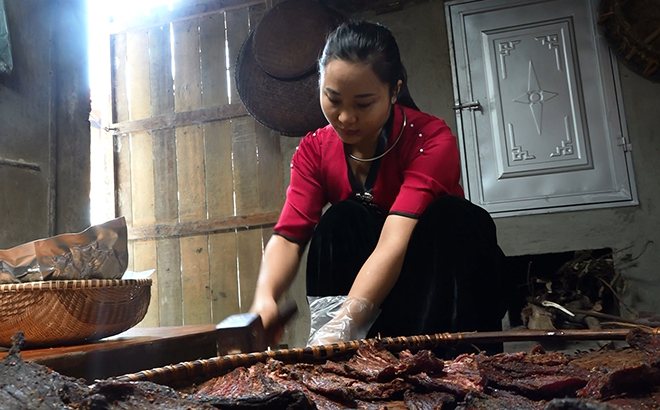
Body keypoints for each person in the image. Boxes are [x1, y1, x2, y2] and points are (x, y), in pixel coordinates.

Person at [249, 20, 509, 350]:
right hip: (374, 299)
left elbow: (394, 241)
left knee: (455, 216)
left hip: (439, 292)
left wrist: (345, 322)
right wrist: (265, 299)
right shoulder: (314, 149)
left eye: (363, 104)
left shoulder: (430, 140)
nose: (345, 118)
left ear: (394, 91)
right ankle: (345, 362)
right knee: (341, 220)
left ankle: (462, 363)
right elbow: (288, 235)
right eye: (333, 99)